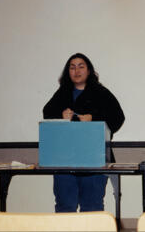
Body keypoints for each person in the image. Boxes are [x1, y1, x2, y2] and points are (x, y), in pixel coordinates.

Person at [43, 52, 125, 212]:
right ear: (68, 72)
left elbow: (118, 117)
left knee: (92, 208)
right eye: (72, 67)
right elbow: (47, 113)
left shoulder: (101, 93)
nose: (76, 71)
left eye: (81, 66)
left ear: (89, 71)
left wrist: (93, 118)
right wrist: (60, 115)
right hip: (64, 162)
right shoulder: (62, 93)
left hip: (95, 160)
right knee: (64, 207)